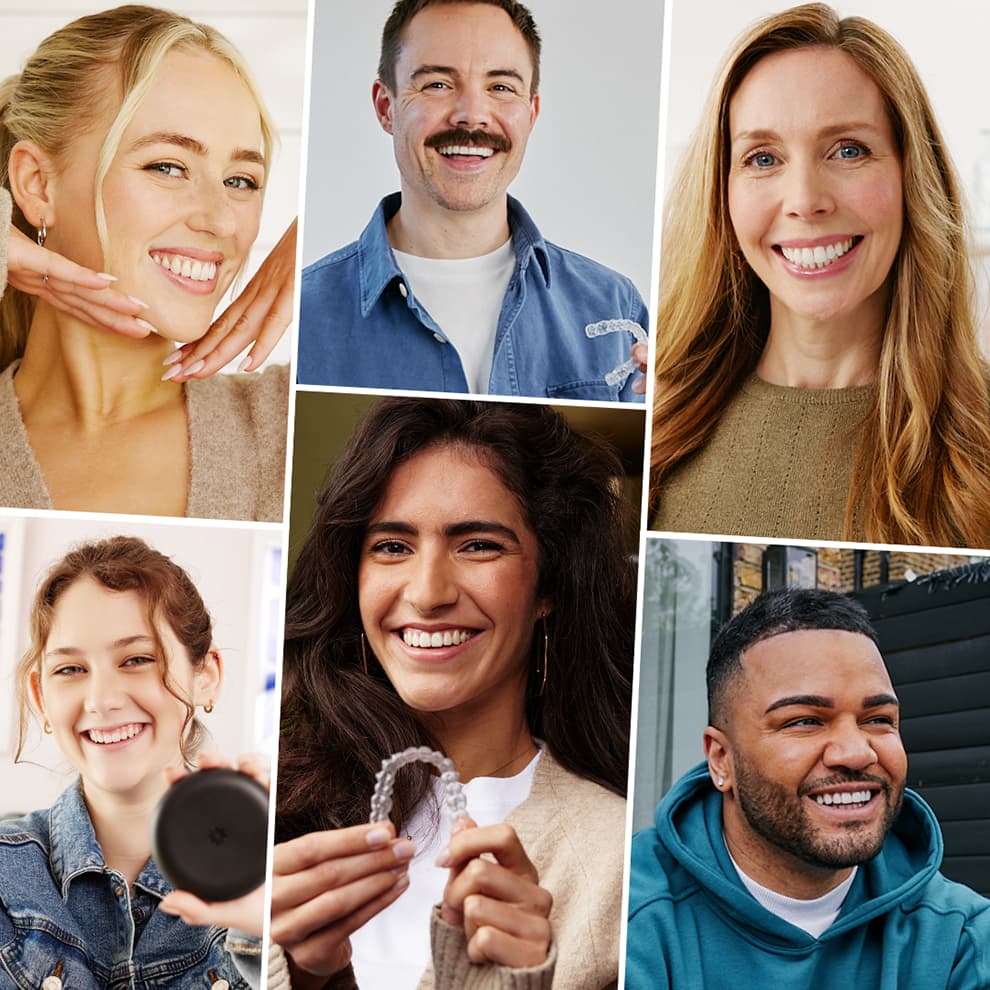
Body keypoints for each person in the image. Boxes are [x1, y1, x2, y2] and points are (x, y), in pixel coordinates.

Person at [271, 399, 635, 989]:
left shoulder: (617, 862)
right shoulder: (271, 807)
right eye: (392, 546)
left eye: (478, 545)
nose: (428, 592)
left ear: (549, 587)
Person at [648, 3, 990, 547]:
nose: (805, 201)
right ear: (723, 193)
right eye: (763, 159)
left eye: (848, 150)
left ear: (912, 177)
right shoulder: (654, 419)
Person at [0, 5, 290, 520]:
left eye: (240, 180)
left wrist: (324, 250)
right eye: (168, 166)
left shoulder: (283, 425)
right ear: (37, 185)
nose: (222, 220)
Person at [626, 588, 990, 989]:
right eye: (804, 721)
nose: (855, 753)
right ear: (721, 759)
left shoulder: (961, 938)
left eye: (878, 719)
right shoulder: (626, 908)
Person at [297, 0, 648, 401]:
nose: (472, 115)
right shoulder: (306, 317)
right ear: (385, 107)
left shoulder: (615, 305)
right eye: (437, 85)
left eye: (500, 87)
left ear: (531, 113)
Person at [1, 535, 267, 988]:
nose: (102, 700)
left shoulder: (270, 872)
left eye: (137, 659)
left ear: (206, 677)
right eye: (70, 669)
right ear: (40, 696)